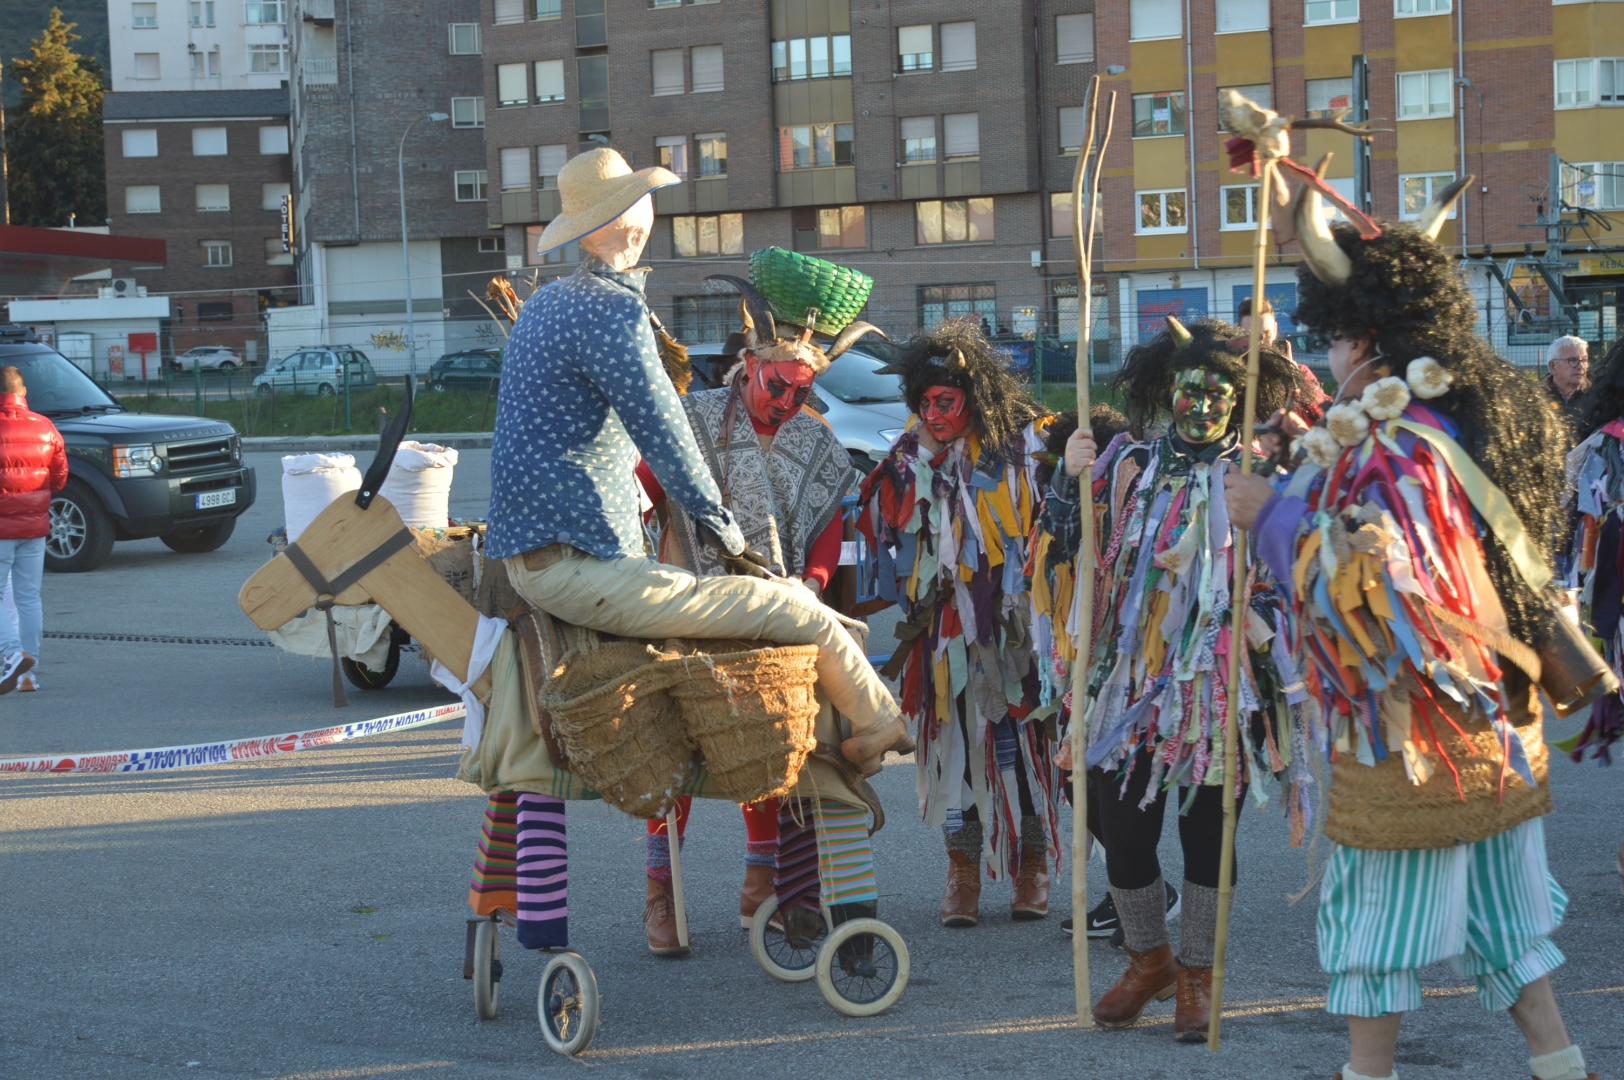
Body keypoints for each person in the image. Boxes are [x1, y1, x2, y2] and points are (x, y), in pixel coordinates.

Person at [1225, 177, 1601, 1080]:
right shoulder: (1452, 423)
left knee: (1376, 932)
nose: (1330, 349)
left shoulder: (1406, 444)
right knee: (1504, 923)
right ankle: (1563, 1070)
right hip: (1486, 722)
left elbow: (1378, 579)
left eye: (1338, 334)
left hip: (1411, 731)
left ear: (1374, 339)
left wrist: (1267, 516)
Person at [483, 147, 912, 784]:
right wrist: (737, 544)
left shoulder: (546, 304)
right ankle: (881, 726)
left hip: (548, 554)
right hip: (576, 566)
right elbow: (668, 439)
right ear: (635, 221)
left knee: (783, 603)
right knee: (788, 609)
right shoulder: (612, 309)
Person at [1045, 315, 1309, 1041]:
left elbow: (1292, 580)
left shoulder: (1254, 479)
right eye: (1189, 391)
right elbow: (1064, 549)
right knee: (1124, 838)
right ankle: (1148, 958)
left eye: (1218, 394)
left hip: (1214, 692)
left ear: (1240, 401)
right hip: (1125, 686)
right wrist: (1069, 482)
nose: (1200, 406)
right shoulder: (1125, 465)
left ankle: (1198, 977)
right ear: (1169, 390)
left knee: (1206, 838)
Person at [631, 264, 883, 954]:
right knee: (673, 753)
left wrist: (814, 577)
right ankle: (664, 895)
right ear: (748, 366)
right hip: (690, 608)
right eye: (780, 387)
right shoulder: (694, 420)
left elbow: (832, 517)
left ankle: (761, 889)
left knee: (769, 747)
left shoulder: (815, 437)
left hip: (780, 617)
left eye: (804, 393)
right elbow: (642, 490)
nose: (790, 403)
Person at [857, 321, 1061, 928]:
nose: (933, 413)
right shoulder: (911, 454)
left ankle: (1033, 864)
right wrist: (914, 453)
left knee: (1023, 745)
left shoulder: (1020, 451)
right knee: (954, 748)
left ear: (975, 399)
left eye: (945, 402)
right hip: (941, 628)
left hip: (1013, 627)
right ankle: (962, 869)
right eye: (924, 403)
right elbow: (881, 522)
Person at [0, 364, 67, 694]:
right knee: (29, 598)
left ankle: (12, 654)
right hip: (35, 526)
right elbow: (59, 477)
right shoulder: (45, 427)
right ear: (22, 393)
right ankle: (28, 674)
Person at [1543, 334, 1591, 423]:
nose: (1580, 366)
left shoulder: (1598, 396)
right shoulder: (1537, 397)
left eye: (1584, 360)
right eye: (1572, 360)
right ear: (1553, 366)